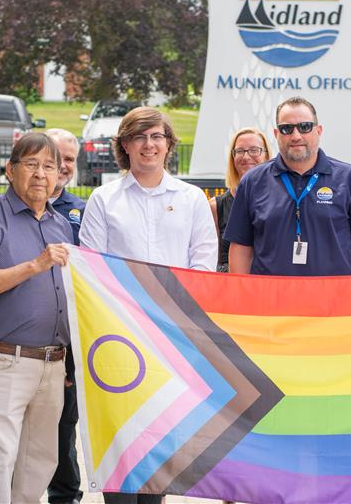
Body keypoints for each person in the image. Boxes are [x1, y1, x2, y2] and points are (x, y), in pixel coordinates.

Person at [79, 106, 217, 504]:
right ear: (124, 145)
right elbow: (92, 267)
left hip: (173, 340)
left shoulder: (191, 199)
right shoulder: (104, 200)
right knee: (122, 447)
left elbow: (202, 266)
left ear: (169, 144)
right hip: (118, 340)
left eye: (157, 136)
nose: (149, 145)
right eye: (139, 137)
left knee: (160, 448)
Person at [0, 133, 75, 503]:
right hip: (5, 359)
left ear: (59, 176)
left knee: (40, 458)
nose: (41, 174)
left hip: (53, 363)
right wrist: (33, 266)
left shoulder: (61, 225)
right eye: (32, 164)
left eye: (50, 167)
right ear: (10, 170)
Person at [224, 96, 351, 276]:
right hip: (270, 301)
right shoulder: (253, 182)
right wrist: (243, 297)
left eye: (305, 127)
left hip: (332, 301)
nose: (296, 136)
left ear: (318, 130)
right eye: (287, 129)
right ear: (277, 134)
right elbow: (241, 249)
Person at [45, 128, 86, 504]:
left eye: (69, 158)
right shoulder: (3, 210)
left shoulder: (82, 211)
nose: (61, 165)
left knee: (63, 426)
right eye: (55, 155)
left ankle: (65, 497)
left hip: (67, 337)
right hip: (24, 336)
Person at [209, 127, 271, 272]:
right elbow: (209, 258)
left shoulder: (281, 200)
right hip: (232, 287)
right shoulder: (216, 206)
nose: (246, 157)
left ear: (267, 156)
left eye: (254, 150)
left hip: (270, 286)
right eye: (240, 151)